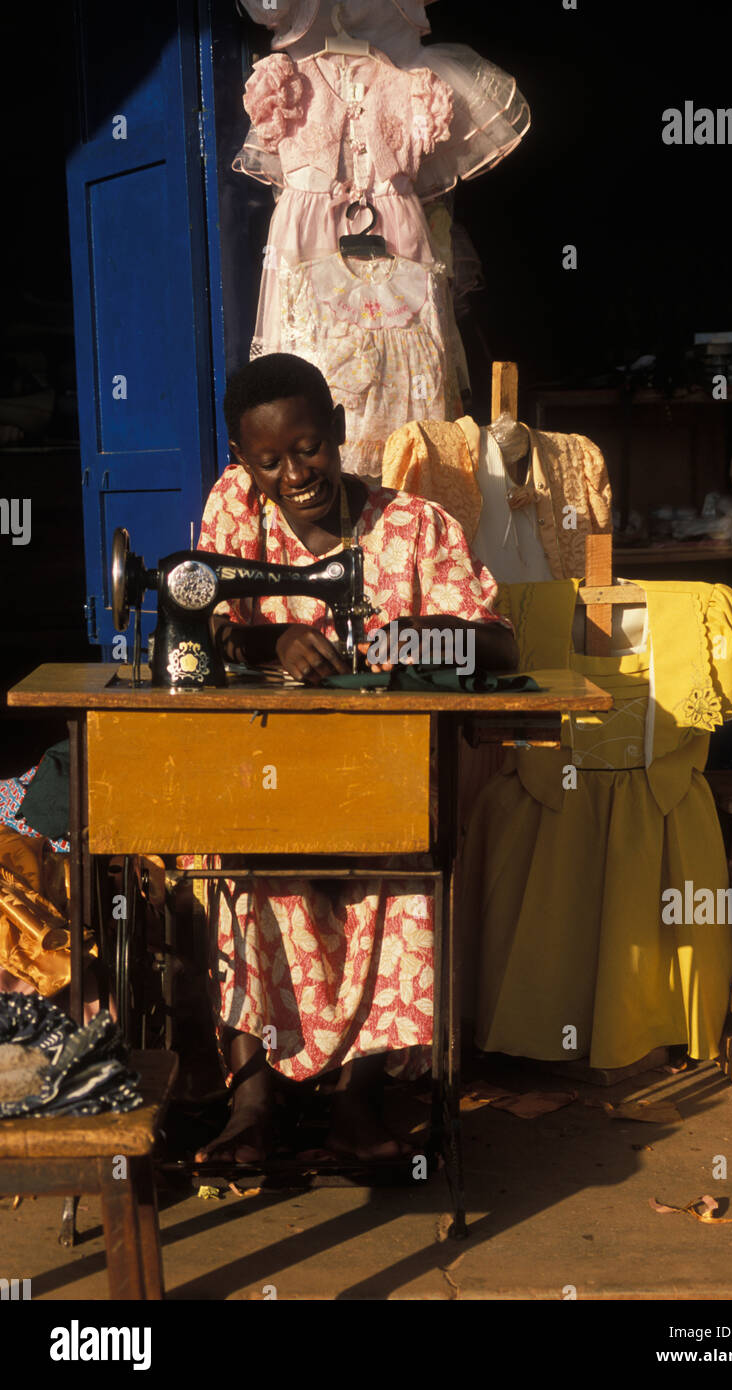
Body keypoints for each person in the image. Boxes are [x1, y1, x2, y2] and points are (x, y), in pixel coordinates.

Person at [195, 352, 517, 1162]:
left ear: (336, 432)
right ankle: (254, 1100)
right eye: (267, 459)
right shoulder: (235, 509)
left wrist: (409, 639)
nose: (292, 473)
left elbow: (498, 642)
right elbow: (211, 624)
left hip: (381, 780)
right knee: (228, 864)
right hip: (259, 774)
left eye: (307, 448)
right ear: (243, 460)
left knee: (406, 869)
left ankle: (356, 1104)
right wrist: (275, 638)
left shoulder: (413, 528)